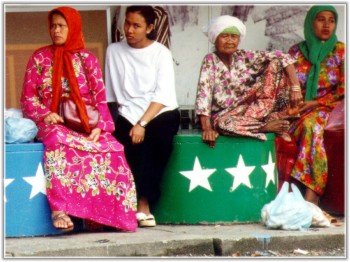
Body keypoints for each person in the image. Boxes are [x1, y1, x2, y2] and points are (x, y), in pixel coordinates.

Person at [21, 6, 137, 232]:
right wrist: (46, 114)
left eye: (62, 26)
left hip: (85, 125)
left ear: (73, 27)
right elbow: (28, 97)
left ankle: (106, 216)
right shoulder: (40, 57)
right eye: (53, 25)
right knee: (57, 141)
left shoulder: (88, 60)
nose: (56, 30)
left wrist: (101, 127)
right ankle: (60, 209)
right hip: (52, 124)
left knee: (113, 148)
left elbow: (100, 99)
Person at [105, 5, 180, 227]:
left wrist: (142, 123)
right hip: (128, 111)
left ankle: (144, 204)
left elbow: (162, 96)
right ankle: (124, 206)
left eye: (136, 25)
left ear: (149, 28)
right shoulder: (114, 51)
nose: (129, 29)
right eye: (127, 23)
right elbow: (112, 94)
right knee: (124, 144)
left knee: (157, 142)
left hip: (160, 111)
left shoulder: (161, 53)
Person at [195, 15, 303, 148]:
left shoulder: (244, 56)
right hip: (225, 116)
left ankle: (273, 116)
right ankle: (265, 127)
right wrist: (207, 128)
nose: (229, 41)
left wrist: (295, 87)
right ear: (215, 39)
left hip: (252, 110)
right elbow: (203, 96)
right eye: (224, 36)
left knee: (276, 63)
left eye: (234, 37)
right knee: (223, 124)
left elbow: (283, 56)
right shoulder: (210, 60)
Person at [288, 5, 344, 208]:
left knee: (314, 126)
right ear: (311, 22)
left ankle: (311, 193)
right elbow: (286, 87)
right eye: (321, 19)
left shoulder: (341, 51)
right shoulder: (296, 52)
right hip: (298, 111)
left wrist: (316, 102)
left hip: (332, 110)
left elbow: (344, 92)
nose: (327, 24)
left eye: (331, 19)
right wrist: (293, 106)